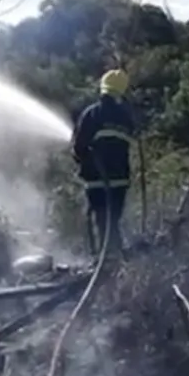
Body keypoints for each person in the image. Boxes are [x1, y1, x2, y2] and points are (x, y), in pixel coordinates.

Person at [71, 69, 136, 255]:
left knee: (102, 221)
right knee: (112, 221)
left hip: (96, 180)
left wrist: (80, 158)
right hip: (120, 182)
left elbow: (79, 146)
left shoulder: (93, 113)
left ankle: (105, 261)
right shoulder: (126, 117)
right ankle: (113, 257)